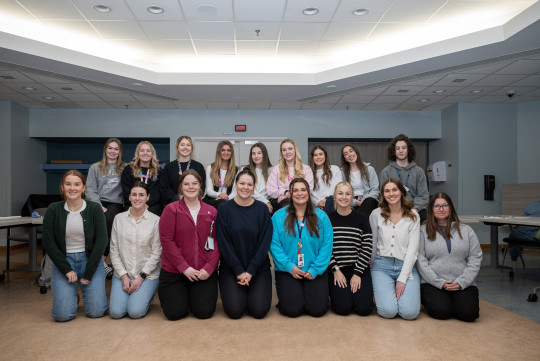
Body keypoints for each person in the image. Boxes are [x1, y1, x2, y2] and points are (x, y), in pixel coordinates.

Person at [42, 170, 108, 322]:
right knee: (62, 316)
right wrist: (66, 269)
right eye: (68, 184)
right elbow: (48, 242)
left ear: (83, 187)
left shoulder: (94, 209)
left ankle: (84, 292)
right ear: (62, 187)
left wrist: (89, 272)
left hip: (90, 260)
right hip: (63, 262)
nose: (72, 188)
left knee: (96, 312)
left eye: (77, 184)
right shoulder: (54, 209)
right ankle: (72, 295)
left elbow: (101, 241)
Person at [158, 170, 220, 320]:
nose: (190, 187)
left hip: (202, 272)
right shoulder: (171, 209)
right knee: (175, 313)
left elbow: (216, 242)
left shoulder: (211, 211)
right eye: (186, 184)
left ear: (200, 186)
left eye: (194, 183)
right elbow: (167, 241)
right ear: (181, 187)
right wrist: (184, 268)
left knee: (203, 312)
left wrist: (209, 268)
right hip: (175, 271)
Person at [270, 178, 333, 317]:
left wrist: (315, 269)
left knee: (318, 310)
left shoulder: (321, 216)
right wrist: (289, 266)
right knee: (292, 310)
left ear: (308, 192)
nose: (300, 193)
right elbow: (274, 245)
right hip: (288, 269)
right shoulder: (278, 216)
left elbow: (327, 245)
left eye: (303, 190)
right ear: (290, 194)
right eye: (295, 190)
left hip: (314, 270)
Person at [216, 170, 273, 319]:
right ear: (235, 184)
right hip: (231, 268)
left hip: (258, 268)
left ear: (254, 187)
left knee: (259, 311)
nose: (245, 187)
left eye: (249, 184)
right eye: (242, 183)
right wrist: (239, 270)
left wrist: (251, 270)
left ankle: (251, 290)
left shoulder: (262, 209)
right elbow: (223, 242)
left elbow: (265, 242)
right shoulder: (224, 209)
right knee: (235, 311)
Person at [417, 193, 482, 322]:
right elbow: (420, 260)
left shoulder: (466, 230)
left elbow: (475, 257)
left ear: (450, 208)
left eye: (445, 205)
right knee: (441, 312)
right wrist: (439, 282)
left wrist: (462, 282)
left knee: (469, 314)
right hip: (433, 283)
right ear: (431, 209)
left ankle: (455, 301)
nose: (441, 209)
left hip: (461, 282)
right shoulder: (422, 231)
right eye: (437, 206)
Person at [109, 181, 162, 319]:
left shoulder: (156, 221)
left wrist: (141, 277)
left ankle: (145, 295)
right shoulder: (118, 219)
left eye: (141, 195)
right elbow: (114, 250)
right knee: (116, 313)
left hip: (147, 275)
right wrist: (123, 275)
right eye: (134, 195)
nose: (137, 198)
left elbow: (156, 253)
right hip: (123, 273)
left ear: (148, 197)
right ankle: (134, 294)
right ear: (129, 197)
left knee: (135, 312)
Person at [369, 177, 420, 320]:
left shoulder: (413, 216)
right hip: (381, 266)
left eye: (394, 190)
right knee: (388, 311)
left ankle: (403, 298)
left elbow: (413, 250)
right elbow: (373, 244)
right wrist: (371, 267)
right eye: (387, 191)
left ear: (401, 192)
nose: (391, 194)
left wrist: (402, 279)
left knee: (409, 313)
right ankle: (389, 296)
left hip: (406, 265)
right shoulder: (376, 214)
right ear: (383, 194)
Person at [328, 182, 373, 316]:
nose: (344, 197)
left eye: (348, 194)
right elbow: (325, 248)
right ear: (335, 196)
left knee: (364, 309)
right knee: (343, 309)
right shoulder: (328, 219)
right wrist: (335, 269)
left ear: (352, 196)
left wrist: (358, 273)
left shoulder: (362, 219)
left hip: (359, 268)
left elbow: (367, 247)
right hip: (337, 269)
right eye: (340, 193)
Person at [85, 137, 126, 278]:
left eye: (116, 149)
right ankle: (99, 262)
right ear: (105, 149)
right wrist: (98, 206)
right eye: (110, 148)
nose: (113, 151)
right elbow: (89, 190)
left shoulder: (125, 168)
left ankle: (102, 260)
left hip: (116, 203)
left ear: (120, 151)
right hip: (98, 202)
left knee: (108, 220)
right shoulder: (95, 167)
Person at [379, 134, 429, 223]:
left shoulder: (419, 171)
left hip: (415, 211)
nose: (401, 151)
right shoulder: (386, 172)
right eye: (397, 148)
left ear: (408, 149)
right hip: (393, 211)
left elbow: (423, 196)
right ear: (394, 151)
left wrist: (414, 210)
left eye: (403, 148)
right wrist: (395, 212)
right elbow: (383, 196)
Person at [267, 138, 314, 212]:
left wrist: (290, 195)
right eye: (284, 150)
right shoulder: (276, 169)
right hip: (281, 203)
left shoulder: (306, 169)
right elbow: (270, 190)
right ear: (281, 153)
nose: (287, 152)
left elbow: (309, 189)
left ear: (295, 150)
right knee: (287, 205)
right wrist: (285, 193)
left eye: (290, 149)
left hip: (301, 200)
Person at [160, 135, 206, 205]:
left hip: (193, 203)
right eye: (182, 145)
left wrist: (189, 198)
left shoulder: (199, 167)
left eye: (188, 145)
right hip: (173, 204)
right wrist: (177, 199)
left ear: (192, 148)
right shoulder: (169, 167)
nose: (185, 147)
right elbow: (164, 187)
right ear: (177, 148)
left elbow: (201, 187)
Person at [121, 141, 162, 216]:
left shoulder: (158, 171)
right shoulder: (128, 169)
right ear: (138, 153)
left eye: (148, 151)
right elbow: (126, 191)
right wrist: (137, 204)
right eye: (142, 150)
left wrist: (146, 204)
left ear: (152, 153)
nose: (145, 153)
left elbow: (158, 192)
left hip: (152, 205)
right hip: (132, 203)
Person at [340, 144, 379, 217]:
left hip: (368, 201)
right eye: (346, 154)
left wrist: (364, 199)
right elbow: (342, 193)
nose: (349, 154)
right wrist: (355, 202)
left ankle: (356, 221)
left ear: (356, 152)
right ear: (345, 159)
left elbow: (375, 190)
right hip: (351, 203)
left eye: (351, 151)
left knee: (369, 201)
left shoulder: (369, 169)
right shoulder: (342, 173)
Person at [203, 140, 238, 209]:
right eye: (223, 150)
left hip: (229, 200)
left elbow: (235, 191)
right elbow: (209, 190)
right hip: (212, 200)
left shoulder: (237, 170)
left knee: (224, 204)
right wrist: (220, 195)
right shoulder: (210, 168)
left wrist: (226, 198)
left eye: (229, 150)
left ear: (231, 153)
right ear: (219, 152)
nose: (226, 152)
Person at [309, 144, 342, 214]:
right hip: (317, 205)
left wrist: (326, 200)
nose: (318, 157)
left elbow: (338, 187)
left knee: (330, 200)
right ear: (312, 158)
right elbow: (309, 192)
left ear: (325, 156)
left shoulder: (335, 169)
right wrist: (318, 202)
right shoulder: (309, 172)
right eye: (315, 155)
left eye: (321, 154)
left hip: (333, 201)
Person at [243, 142, 273, 213]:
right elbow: (249, 190)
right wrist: (265, 202)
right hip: (248, 201)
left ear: (264, 155)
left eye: (259, 153)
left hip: (265, 205)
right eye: (253, 153)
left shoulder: (272, 171)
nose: (256, 156)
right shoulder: (245, 169)